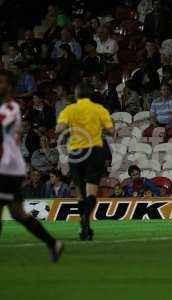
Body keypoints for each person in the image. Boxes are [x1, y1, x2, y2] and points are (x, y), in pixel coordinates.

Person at [0, 70, 63, 262]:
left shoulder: (12, 108)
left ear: (9, 86)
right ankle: (53, 243)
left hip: (7, 167)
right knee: (17, 213)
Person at [56, 82, 114, 241]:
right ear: (90, 95)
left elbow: (58, 130)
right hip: (95, 151)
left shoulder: (69, 109)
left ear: (76, 95)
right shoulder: (99, 109)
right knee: (91, 192)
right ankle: (85, 221)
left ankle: (84, 226)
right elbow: (111, 130)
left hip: (77, 153)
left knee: (80, 193)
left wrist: (73, 128)